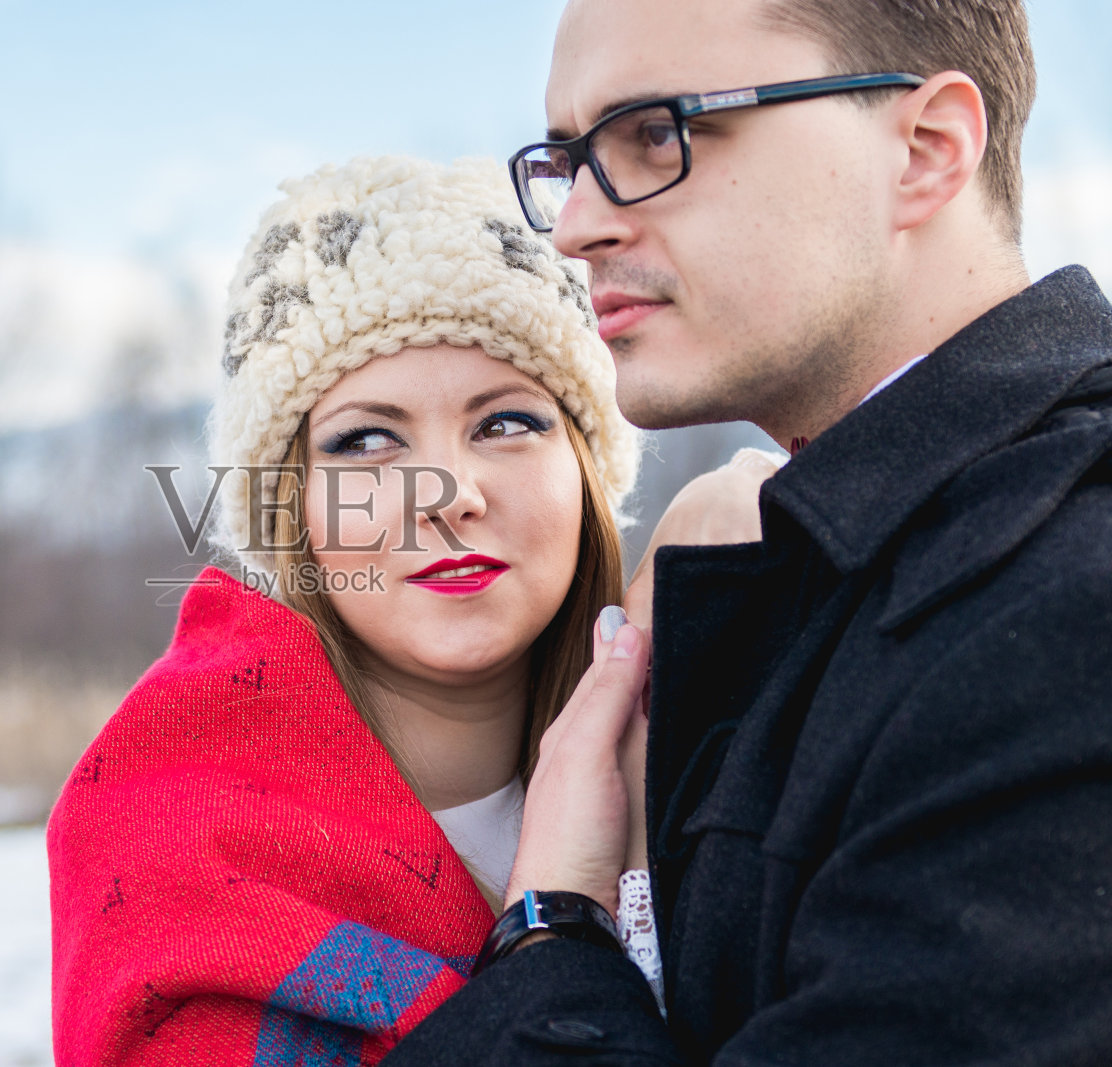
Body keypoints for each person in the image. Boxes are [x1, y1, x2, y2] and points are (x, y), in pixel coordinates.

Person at [386, 1, 1112, 1064]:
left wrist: (555, 925)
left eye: (654, 133)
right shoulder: (844, 560)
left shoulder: (1067, 614)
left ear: (922, 152)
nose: (575, 223)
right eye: (568, 157)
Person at [47, 155, 670, 1066]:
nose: (449, 493)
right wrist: (557, 915)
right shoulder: (175, 852)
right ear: (290, 509)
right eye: (368, 440)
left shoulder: (718, 754)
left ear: (585, 472)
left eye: (507, 422)